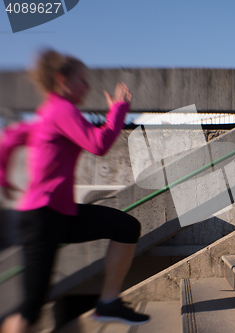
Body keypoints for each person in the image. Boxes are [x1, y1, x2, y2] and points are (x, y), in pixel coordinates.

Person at [0, 50, 149, 333]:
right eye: (82, 79)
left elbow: (10, 138)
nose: (87, 86)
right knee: (30, 312)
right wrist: (118, 110)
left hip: (60, 214)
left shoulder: (48, 113)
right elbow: (98, 144)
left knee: (126, 227)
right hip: (42, 218)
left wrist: (4, 178)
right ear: (62, 80)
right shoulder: (60, 109)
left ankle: (108, 301)